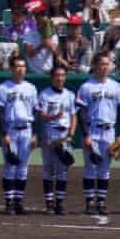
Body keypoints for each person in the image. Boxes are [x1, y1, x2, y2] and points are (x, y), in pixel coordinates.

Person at [76, 52, 120, 217]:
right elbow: (81, 113)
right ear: (95, 66)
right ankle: (90, 200)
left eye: (107, 64)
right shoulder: (86, 87)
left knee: (105, 169)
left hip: (110, 131)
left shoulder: (116, 86)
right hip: (93, 129)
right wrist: (86, 135)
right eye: (102, 64)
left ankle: (102, 200)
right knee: (90, 167)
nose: (105, 67)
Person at [0, 56, 37, 215]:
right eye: (17, 66)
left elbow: (35, 111)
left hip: (26, 129)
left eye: (23, 66)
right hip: (11, 129)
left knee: (23, 168)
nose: (20, 69)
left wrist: (35, 134)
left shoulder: (31, 88)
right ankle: (9, 202)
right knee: (10, 167)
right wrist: (4, 133)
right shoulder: (4, 88)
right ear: (11, 68)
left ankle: (19, 201)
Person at [36, 66, 77, 215]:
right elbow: (41, 116)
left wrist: (71, 134)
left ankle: (59, 202)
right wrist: (54, 117)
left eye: (63, 75)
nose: (60, 78)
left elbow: (74, 115)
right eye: (57, 76)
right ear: (52, 78)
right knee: (48, 168)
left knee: (63, 169)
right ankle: (49, 202)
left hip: (64, 133)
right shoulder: (44, 94)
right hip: (50, 132)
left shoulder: (70, 95)